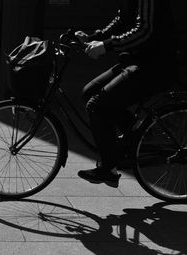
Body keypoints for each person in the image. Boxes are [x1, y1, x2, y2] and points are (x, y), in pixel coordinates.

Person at [74, 0, 177, 188]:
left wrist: (105, 45)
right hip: (135, 60)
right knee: (89, 93)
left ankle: (109, 168)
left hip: (154, 66)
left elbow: (145, 30)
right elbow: (122, 18)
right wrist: (95, 37)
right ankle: (135, 134)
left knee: (97, 105)